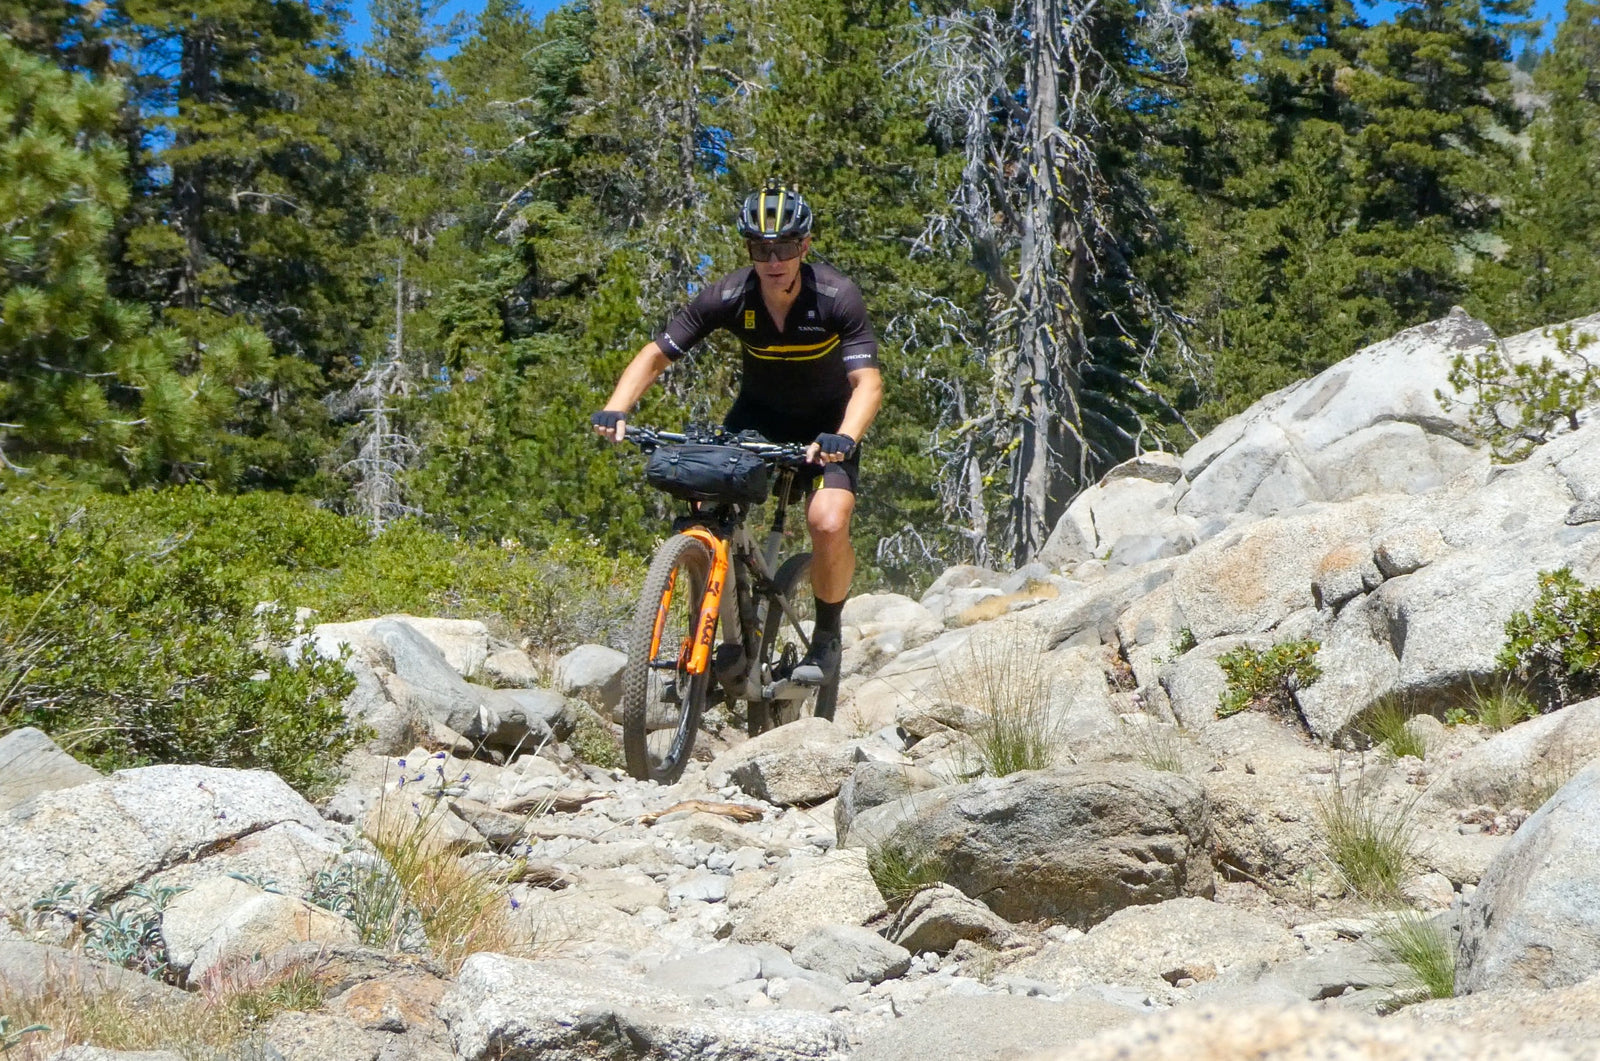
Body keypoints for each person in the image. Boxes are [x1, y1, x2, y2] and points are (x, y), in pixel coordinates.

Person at [592, 182, 883, 687]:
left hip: (829, 425)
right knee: (703, 508)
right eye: (761, 248)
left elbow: (868, 383)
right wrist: (618, 406)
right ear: (749, 250)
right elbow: (658, 353)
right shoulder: (728, 295)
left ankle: (827, 636)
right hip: (756, 418)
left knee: (829, 521)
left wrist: (845, 437)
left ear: (805, 247)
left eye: (786, 247)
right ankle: (720, 635)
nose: (774, 259)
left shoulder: (836, 297)